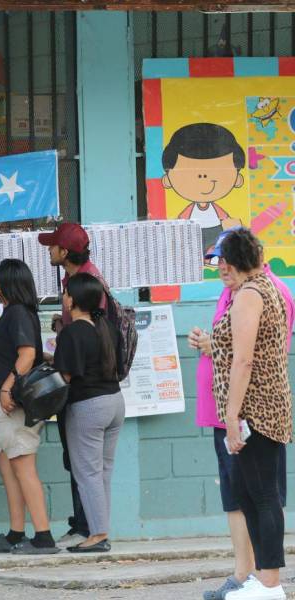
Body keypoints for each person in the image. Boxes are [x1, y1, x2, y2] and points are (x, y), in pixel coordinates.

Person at [190, 229, 294, 600]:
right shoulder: (262, 287)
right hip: (264, 407)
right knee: (251, 495)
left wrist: (232, 416)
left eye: (221, 262)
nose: (219, 268)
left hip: (258, 410)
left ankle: (270, 584)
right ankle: (263, 579)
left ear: (231, 262)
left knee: (262, 495)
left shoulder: (251, 294)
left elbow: (244, 359)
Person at [0, 259, 57, 555]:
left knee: (23, 465)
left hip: (16, 402)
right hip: (8, 404)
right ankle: (16, 532)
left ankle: (44, 536)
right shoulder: (13, 314)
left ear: (7, 284)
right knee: (7, 464)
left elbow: (27, 354)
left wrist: (7, 387)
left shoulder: (20, 314)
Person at [38, 223, 107, 548]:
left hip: (87, 390)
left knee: (86, 464)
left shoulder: (89, 283)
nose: (49, 250)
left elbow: (97, 332)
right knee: (79, 462)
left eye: (53, 246)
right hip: (87, 388)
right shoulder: (72, 282)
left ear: (65, 252)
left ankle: (93, 530)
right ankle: (83, 524)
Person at [53, 272, 124, 553]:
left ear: (74, 299)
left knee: (87, 474)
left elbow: (66, 376)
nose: (64, 297)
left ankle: (97, 534)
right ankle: (101, 530)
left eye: (66, 293)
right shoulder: (108, 328)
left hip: (87, 407)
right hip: (115, 402)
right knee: (103, 471)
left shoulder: (71, 333)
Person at [161, 123, 244, 254]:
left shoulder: (218, 212)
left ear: (238, 179)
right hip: (194, 232)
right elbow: (182, 220)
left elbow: (225, 220)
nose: (203, 178)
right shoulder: (188, 213)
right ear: (167, 180)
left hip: (215, 230)